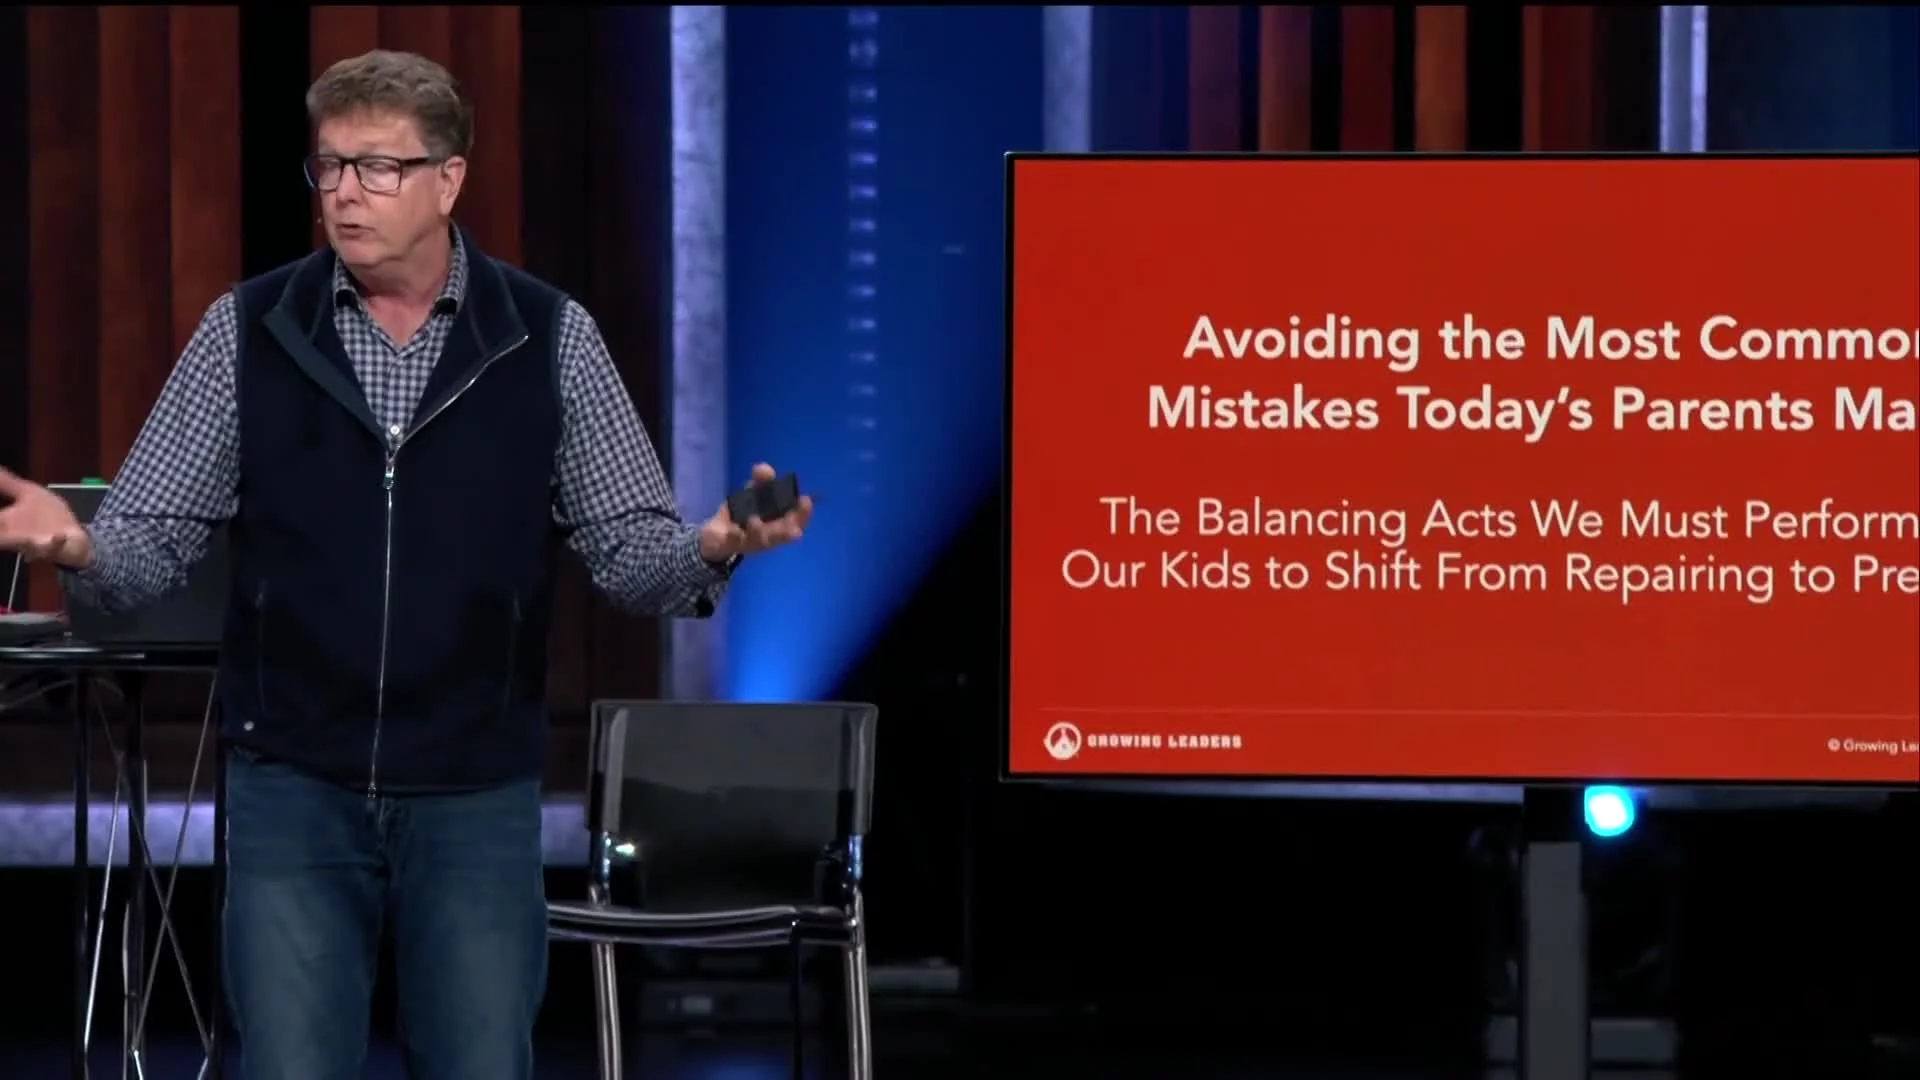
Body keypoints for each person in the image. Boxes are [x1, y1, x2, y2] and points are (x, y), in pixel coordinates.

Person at [0, 49, 811, 1079]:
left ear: (448, 179)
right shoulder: (247, 330)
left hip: (474, 785)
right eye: (330, 166)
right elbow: (149, 544)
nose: (345, 193)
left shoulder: (546, 338)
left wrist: (715, 545)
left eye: (378, 167)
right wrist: (77, 545)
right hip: (292, 779)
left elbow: (630, 557)